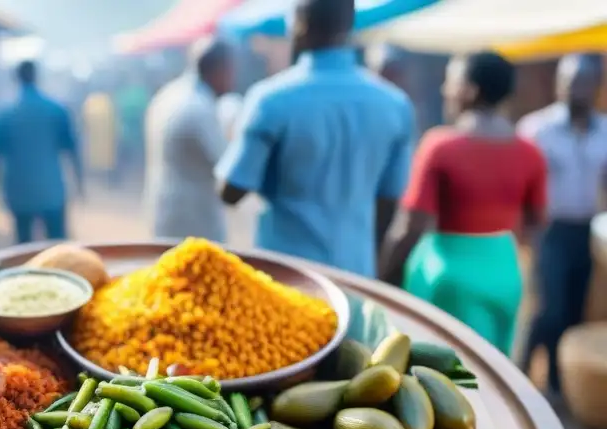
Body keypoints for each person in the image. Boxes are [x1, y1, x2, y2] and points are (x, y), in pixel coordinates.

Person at [217, 0, 415, 276]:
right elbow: (389, 200)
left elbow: (231, 191)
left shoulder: (270, 100)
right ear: (349, 24)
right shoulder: (395, 104)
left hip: (287, 275)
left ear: (299, 25)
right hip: (357, 272)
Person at [378, 53, 547, 356]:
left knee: (442, 380)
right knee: (493, 375)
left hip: (448, 275)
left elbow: (410, 226)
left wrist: (379, 279)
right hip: (504, 271)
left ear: (470, 91)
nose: (445, 90)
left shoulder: (440, 146)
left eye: (451, 82)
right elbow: (537, 220)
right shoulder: (530, 152)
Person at [518, 54, 607, 392]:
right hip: (548, 230)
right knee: (548, 308)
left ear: (596, 86)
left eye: (582, 83)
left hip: (587, 231)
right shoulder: (536, 129)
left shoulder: (604, 131)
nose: (574, 90)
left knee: (574, 310)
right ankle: (530, 373)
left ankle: (557, 379)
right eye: (568, 83)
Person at [145, 38, 235, 242]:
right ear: (219, 69)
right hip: (192, 220)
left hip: (165, 208)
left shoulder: (169, 93)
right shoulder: (198, 108)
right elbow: (226, 165)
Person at [0, 60, 83, 243]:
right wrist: (80, 183)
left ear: (16, 79)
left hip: (19, 191)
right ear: (37, 76)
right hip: (51, 190)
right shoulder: (56, 110)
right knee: (58, 247)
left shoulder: (4, 114)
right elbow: (72, 150)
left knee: (24, 249)